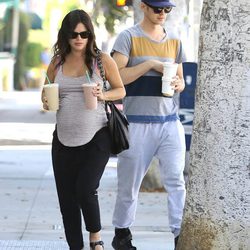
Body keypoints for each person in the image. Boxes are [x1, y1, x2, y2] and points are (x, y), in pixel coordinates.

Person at [41, 9, 125, 250]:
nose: (79, 38)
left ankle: (95, 238)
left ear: (90, 35)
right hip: (63, 140)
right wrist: (46, 101)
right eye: (74, 34)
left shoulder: (101, 60)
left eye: (84, 34)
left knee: (86, 188)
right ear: (65, 36)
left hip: (97, 137)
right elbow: (45, 92)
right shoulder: (56, 63)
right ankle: (75, 246)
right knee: (67, 201)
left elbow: (121, 90)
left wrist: (103, 95)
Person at [110, 1, 186, 249]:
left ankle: (179, 235)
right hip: (137, 124)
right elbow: (117, 77)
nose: (162, 13)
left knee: (176, 180)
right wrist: (149, 65)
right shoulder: (127, 37)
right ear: (143, 6)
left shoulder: (175, 40)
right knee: (129, 184)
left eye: (167, 10)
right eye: (157, 9)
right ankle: (122, 234)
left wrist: (178, 85)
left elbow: (181, 80)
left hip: (169, 122)